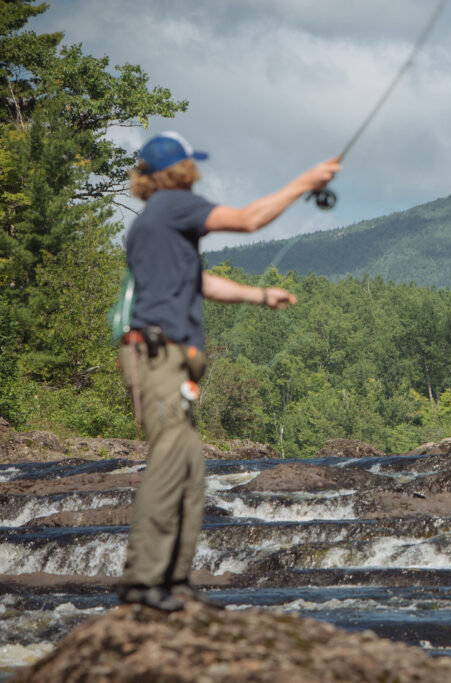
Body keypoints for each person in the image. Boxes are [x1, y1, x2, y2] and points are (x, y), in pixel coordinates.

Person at [117, 131, 339, 610]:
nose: (195, 174)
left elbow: (196, 282)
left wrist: (259, 296)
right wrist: (306, 180)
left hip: (163, 357)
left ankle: (174, 585)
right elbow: (249, 219)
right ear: (178, 172)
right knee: (171, 462)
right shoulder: (173, 205)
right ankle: (142, 582)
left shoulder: (152, 222)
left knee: (191, 472)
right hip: (159, 358)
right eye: (190, 166)